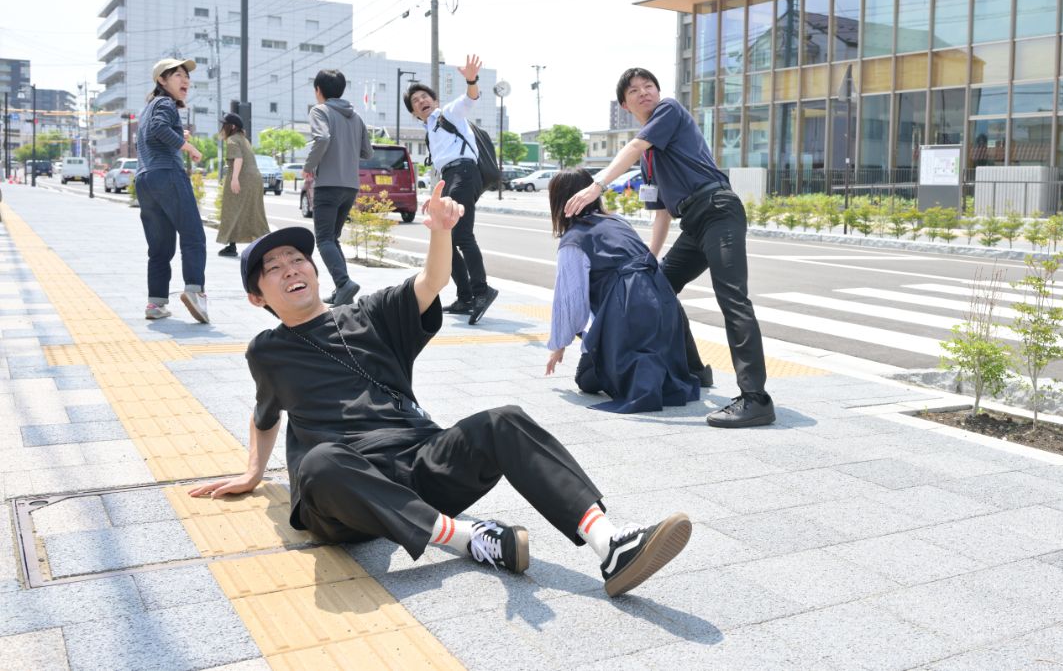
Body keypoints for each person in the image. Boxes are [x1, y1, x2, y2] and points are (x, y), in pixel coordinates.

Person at [186, 186, 692, 598]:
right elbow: (265, 414)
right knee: (319, 463)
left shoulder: (370, 313)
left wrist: (442, 232)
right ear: (258, 298)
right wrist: (254, 472)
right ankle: (472, 539)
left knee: (505, 419)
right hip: (345, 498)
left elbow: (432, 280)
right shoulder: (267, 351)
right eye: (272, 269)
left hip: (421, 466)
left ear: (315, 271)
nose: (290, 269)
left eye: (297, 259)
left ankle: (610, 545)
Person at [565, 68, 774, 429]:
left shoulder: (669, 112)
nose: (644, 92)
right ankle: (694, 369)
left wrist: (596, 185)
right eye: (634, 90)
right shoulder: (649, 158)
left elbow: (632, 146)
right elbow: (661, 211)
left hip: (719, 210)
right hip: (694, 222)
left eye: (649, 86)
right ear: (624, 103)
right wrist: (650, 257)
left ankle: (756, 398)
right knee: (657, 285)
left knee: (733, 299)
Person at [545, 168, 701, 413]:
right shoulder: (617, 221)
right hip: (660, 297)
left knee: (585, 380)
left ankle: (635, 371)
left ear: (558, 202)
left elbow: (571, 302)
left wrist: (559, 345)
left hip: (627, 309)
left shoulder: (573, 241)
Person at [403, 55, 497, 325]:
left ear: (433, 100)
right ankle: (466, 296)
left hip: (465, 173)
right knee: (447, 236)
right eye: (416, 101)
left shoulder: (448, 114)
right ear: (414, 112)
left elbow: (470, 98)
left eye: (424, 96)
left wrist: (471, 80)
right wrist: (437, 197)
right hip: (452, 177)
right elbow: (442, 166)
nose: (421, 101)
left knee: (461, 235)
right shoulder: (431, 129)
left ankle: (481, 291)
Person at [135, 57, 208, 323]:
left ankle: (155, 304)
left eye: (186, 76)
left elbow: (154, 133)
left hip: (145, 180)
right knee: (193, 235)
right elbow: (159, 128)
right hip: (167, 174)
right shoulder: (165, 102)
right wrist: (188, 147)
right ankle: (195, 292)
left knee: (160, 247)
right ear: (162, 81)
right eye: (177, 75)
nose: (185, 80)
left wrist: (179, 135)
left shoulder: (148, 108)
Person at [302, 69, 372, 306]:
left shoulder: (320, 110)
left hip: (328, 185)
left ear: (318, 90)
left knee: (323, 239)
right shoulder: (356, 117)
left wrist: (309, 166)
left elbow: (321, 138)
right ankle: (342, 288)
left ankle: (344, 283)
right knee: (333, 238)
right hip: (350, 186)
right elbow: (367, 152)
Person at [215, 113, 270, 258]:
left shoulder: (232, 139)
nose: (223, 128)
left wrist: (234, 179)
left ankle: (232, 246)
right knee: (254, 212)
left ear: (232, 127)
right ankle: (265, 243)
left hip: (242, 178)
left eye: (225, 125)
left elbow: (238, 159)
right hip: (255, 179)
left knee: (231, 210)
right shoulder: (245, 140)